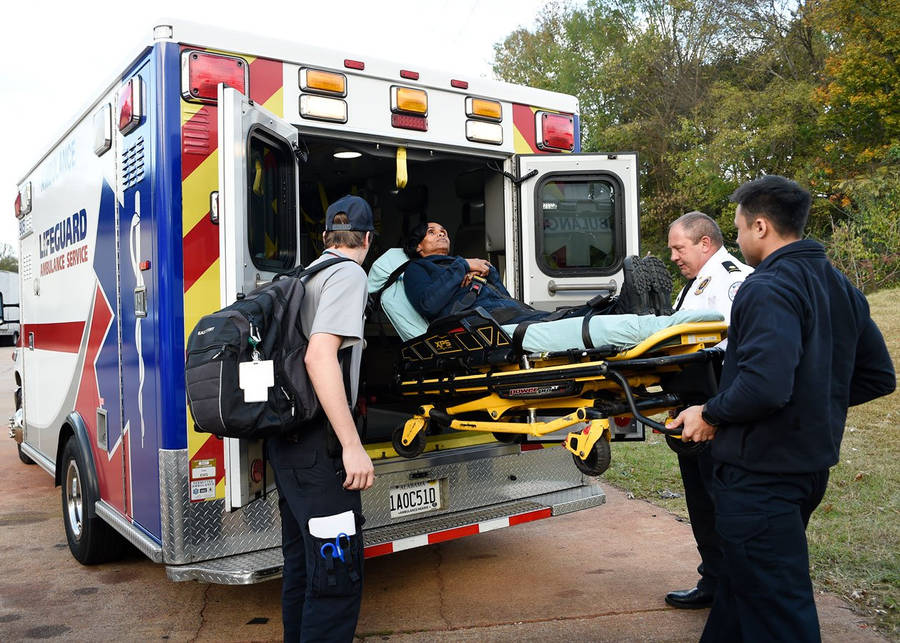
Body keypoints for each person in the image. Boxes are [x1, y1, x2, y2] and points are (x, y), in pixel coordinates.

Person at [668, 176, 895, 641]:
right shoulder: (840, 285)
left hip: (760, 478)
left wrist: (708, 414)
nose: (737, 240)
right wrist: (809, 401)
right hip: (805, 471)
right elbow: (877, 376)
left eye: (738, 229)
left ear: (761, 226)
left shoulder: (766, 286)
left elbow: (764, 386)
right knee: (741, 593)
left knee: (778, 609)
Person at [266, 195, 376, 642]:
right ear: (366, 239)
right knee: (336, 575)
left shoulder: (303, 276)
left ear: (327, 236)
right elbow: (319, 357)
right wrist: (351, 445)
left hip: (288, 444)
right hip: (318, 449)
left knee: (304, 566)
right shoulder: (349, 274)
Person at [663, 211, 753, 610]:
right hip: (692, 406)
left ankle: (738, 590)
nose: (673, 257)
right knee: (700, 500)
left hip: (717, 407)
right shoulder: (696, 283)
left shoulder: (732, 280)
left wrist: (714, 412)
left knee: (723, 502)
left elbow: (738, 349)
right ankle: (714, 581)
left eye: (678, 248)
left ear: (704, 243)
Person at [402, 221, 672, 325]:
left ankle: (640, 307)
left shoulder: (462, 266)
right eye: (432, 232)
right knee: (557, 321)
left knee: (560, 315)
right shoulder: (416, 269)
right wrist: (463, 265)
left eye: (444, 231)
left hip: (502, 311)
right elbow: (429, 304)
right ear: (418, 247)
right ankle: (625, 308)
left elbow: (504, 297)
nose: (441, 234)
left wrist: (489, 274)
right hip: (477, 320)